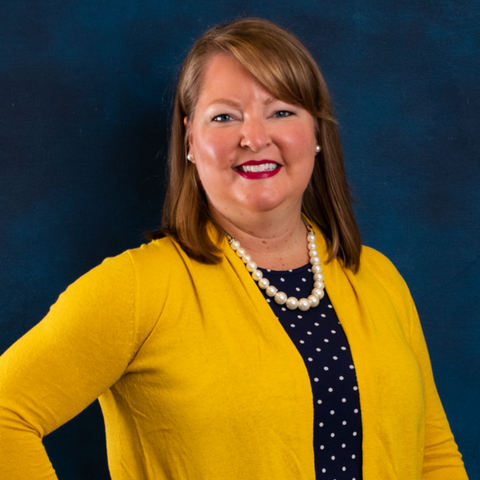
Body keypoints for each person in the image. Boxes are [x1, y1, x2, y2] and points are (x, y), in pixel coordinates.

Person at [0, 17, 468, 480]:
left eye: (281, 111)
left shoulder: (377, 277)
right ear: (189, 140)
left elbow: (434, 453)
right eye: (224, 116)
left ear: (317, 133)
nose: (254, 137)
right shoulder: (137, 289)